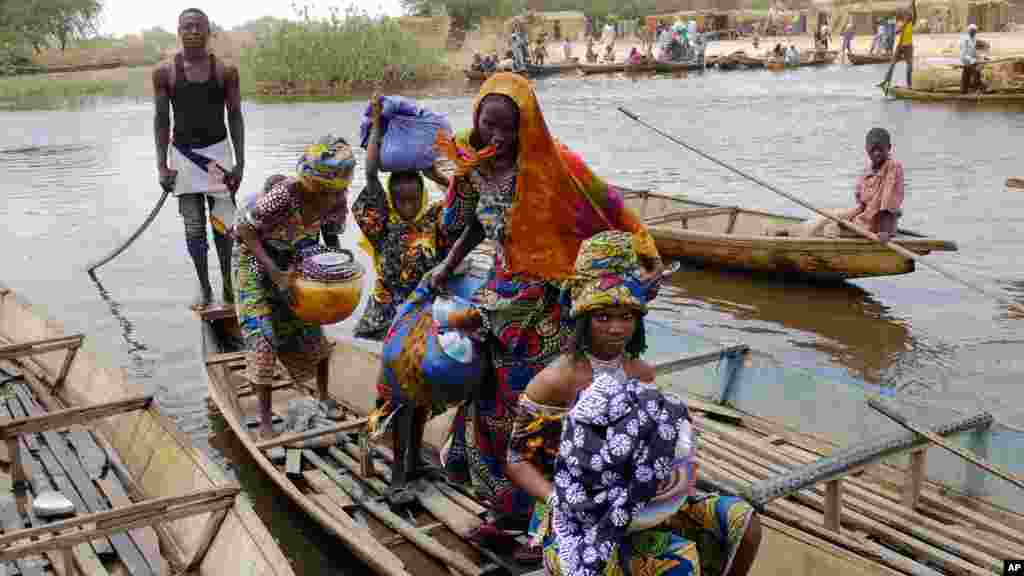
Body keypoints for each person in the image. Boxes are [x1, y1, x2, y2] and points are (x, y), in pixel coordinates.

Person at [432, 73, 663, 557]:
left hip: (547, 306)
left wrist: (645, 259)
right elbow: (470, 223)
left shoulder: (557, 164)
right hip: (498, 301)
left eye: (506, 130)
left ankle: (549, 522)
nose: (495, 137)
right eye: (487, 125)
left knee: (538, 416)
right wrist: (449, 262)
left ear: (527, 127)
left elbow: (613, 209)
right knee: (489, 405)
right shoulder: (473, 162)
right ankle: (506, 508)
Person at [508, 230, 762, 574]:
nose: (616, 328)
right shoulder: (558, 379)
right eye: (603, 317)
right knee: (673, 562)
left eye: (626, 316)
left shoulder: (640, 372)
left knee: (742, 522)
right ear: (583, 320)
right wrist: (558, 500)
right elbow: (516, 460)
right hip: (576, 511)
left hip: (639, 497)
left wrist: (673, 469)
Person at [232, 137, 353, 438]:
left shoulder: (339, 199)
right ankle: (264, 422)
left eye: (334, 191)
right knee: (264, 337)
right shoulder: (285, 195)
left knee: (312, 327)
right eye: (323, 190)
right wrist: (274, 272)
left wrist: (335, 266)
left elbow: (330, 238)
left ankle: (324, 398)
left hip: (295, 253)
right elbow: (244, 230)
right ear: (310, 181)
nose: (329, 197)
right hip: (254, 257)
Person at [154, 8, 244, 310]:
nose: (192, 31)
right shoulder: (165, 72)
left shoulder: (225, 71)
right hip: (182, 158)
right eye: (186, 26)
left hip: (219, 157)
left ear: (209, 31)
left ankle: (230, 288)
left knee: (224, 229)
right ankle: (205, 289)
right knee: (193, 229)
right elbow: (160, 120)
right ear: (179, 31)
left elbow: (235, 117)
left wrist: (239, 162)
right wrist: (161, 165)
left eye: (198, 26)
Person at [351, 98, 452, 341]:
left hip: (426, 305)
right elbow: (371, 175)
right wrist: (376, 124)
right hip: (387, 311)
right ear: (391, 198)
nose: (408, 206)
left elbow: (464, 199)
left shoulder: (434, 219)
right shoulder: (382, 224)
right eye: (401, 200)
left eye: (413, 199)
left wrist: (437, 175)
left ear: (423, 195)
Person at [801, 128, 903, 243]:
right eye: (873, 150)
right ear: (866, 149)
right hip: (863, 222)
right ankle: (799, 232)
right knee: (829, 219)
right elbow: (862, 206)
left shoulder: (893, 167)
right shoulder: (866, 173)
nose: (876, 153)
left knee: (829, 230)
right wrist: (843, 217)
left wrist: (884, 231)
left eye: (880, 149)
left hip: (879, 228)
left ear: (889, 148)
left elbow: (888, 201)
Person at [880, 3, 917, 90]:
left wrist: (914, 5)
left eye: (908, 15)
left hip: (908, 47)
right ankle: (886, 81)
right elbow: (897, 31)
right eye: (906, 15)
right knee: (892, 64)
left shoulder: (912, 22)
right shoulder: (902, 23)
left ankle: (909, 85)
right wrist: (897, 30)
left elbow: (914, 14)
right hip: (900, 46)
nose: (907, 16)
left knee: (909, 66)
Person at [960, 24, 983, 94]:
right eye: (972, 31)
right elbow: (964, 54)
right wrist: (973, 60)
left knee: (968, 73)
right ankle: (974, 88)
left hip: (972, 59)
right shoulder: (965, 40)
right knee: (976, 71)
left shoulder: (974, 39)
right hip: (965, 60)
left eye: (974, 31)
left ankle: (967, 88)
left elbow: (974, 51)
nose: (973, 33)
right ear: (969, 31)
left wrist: (980, 57)